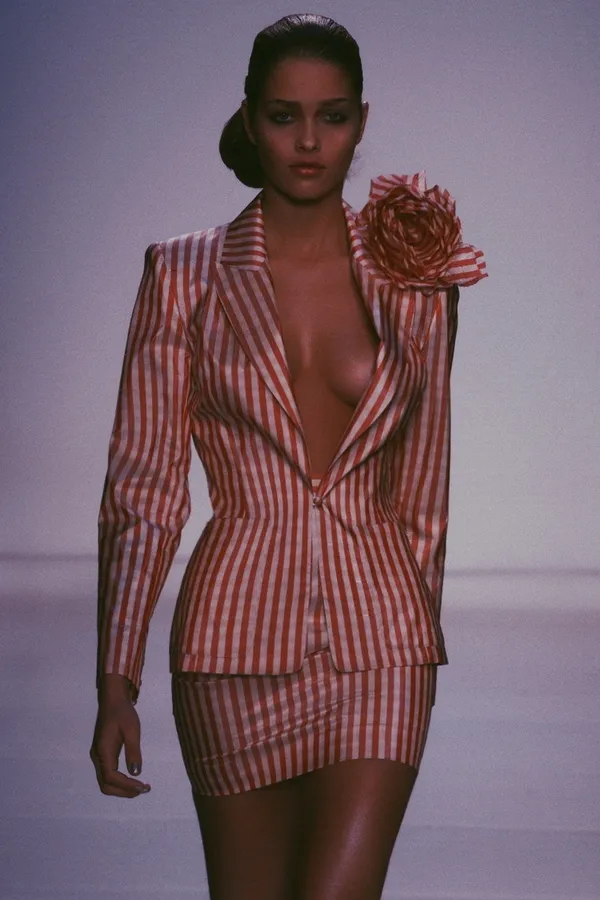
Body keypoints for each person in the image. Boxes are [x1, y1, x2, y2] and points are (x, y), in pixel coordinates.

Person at [90, 12, 487, 900]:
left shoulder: (417, 284)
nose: (309, 141)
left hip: (382, 646)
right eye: (284, 115)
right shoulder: (183, 275)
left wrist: (420, 647)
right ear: (249, 118)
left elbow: (424, 494)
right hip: (231, 647)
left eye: (332, 116)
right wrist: (116, 678)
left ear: (361, 121)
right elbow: (144, 491)